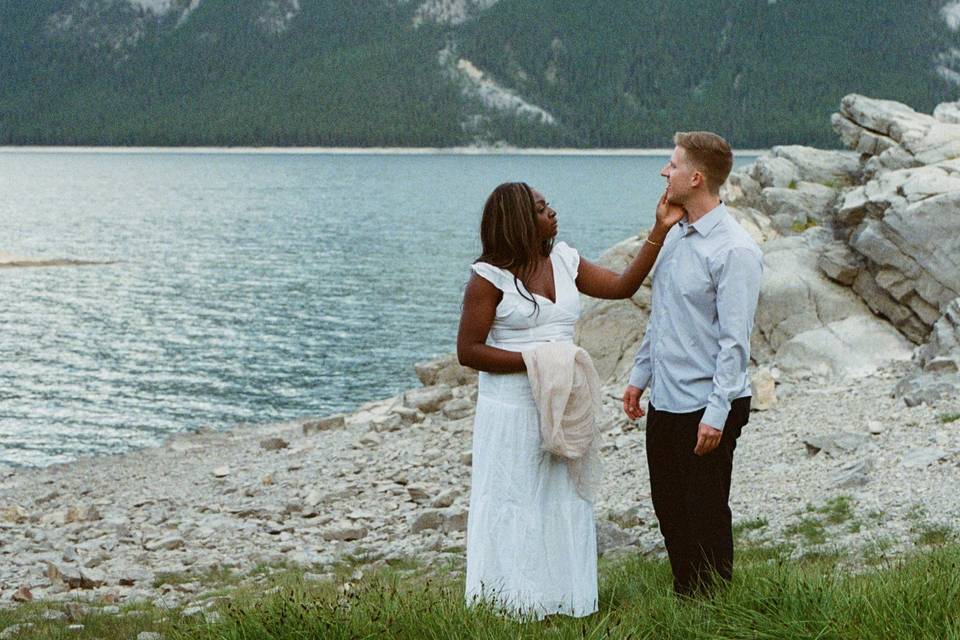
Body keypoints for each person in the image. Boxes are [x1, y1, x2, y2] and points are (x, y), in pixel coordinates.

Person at [457, 181, 683, 619]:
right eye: (542, 209)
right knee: (514, 497)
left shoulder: (564, 260)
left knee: (564, 497)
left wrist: (659, 229)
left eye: (549, 205)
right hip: (511, 408)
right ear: (520, 221)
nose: (553, 213)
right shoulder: (487, 279)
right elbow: (469, 351)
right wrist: (540, 360)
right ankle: (510, 604)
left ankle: (564, 599)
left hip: (564, 401)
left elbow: (621, 286)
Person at [622, 131, 763, 597]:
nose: (665, 172)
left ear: (696, 177)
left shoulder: (735, 249)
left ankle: (718, 607)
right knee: (669, 508)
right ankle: (689, 600)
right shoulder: (676, 237)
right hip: (667, 398)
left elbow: (734, 343)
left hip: (708, 404)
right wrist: (639, 378)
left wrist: (717, 414)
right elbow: (662, 318)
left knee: (705, 512)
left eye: (673, 165)